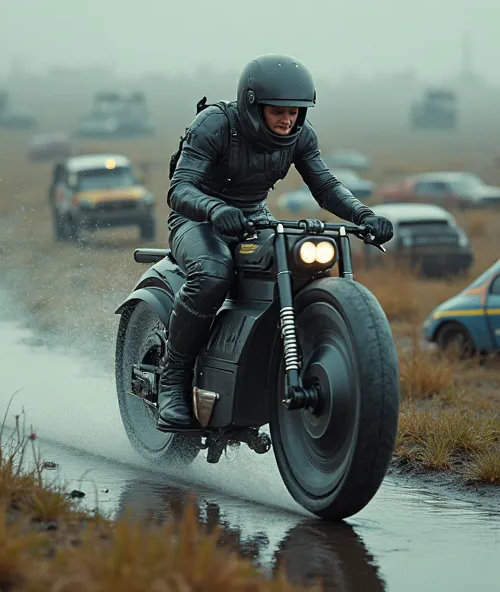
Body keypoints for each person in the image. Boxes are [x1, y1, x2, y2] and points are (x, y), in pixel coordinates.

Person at [157, 54, 394, 432]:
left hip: (253, 218)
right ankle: (173, 376)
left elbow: (326, 186)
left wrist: (363, 215)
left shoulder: (301, 135)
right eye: (278, 111)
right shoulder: (215, 124)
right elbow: (179, 188)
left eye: (296, 112)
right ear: (252, 105)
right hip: (196, 218)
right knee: (214, 273)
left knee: (298, 265)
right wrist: (215, 209)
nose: (288, 120)